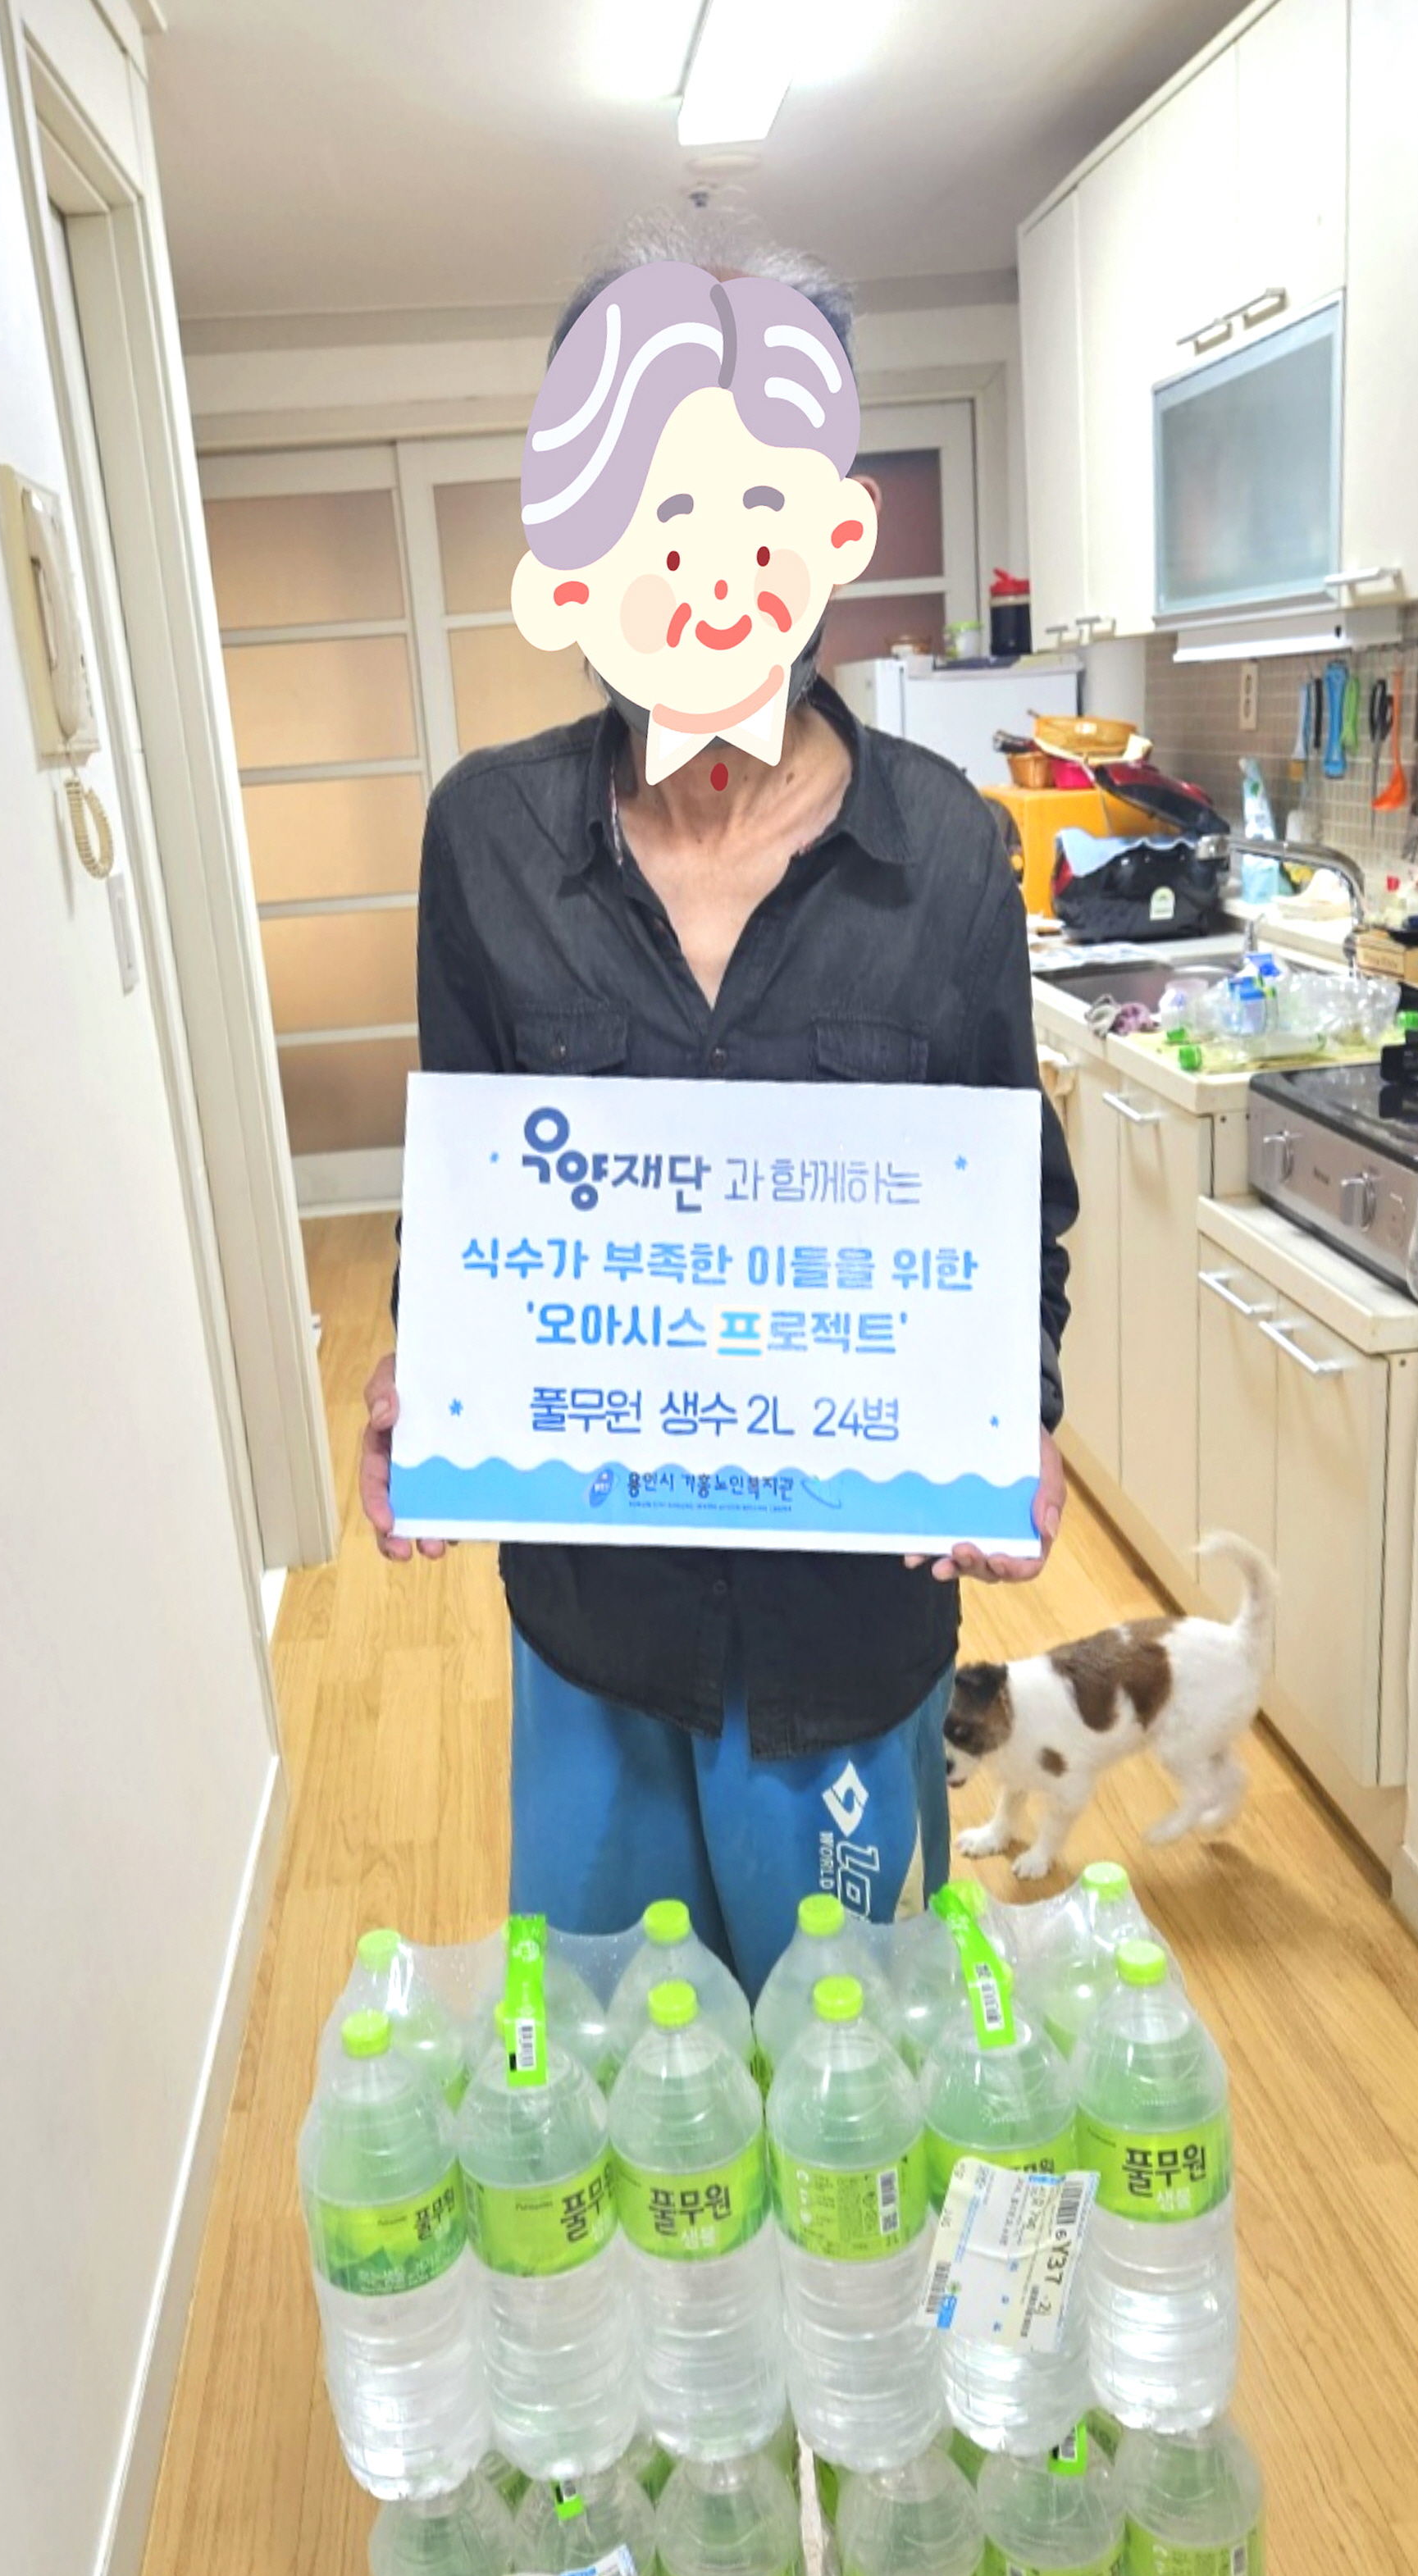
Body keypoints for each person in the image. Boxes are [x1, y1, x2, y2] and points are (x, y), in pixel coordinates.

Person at [359, 224, 1077, 1997]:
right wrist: (428, 1370)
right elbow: (467, 1182)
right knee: (619, 2069)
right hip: (600, 1617)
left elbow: (1011, 1195)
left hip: (849, 1626)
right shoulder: (486, 840)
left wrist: (1020, 1408)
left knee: (851, 2069)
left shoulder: (945, 853)